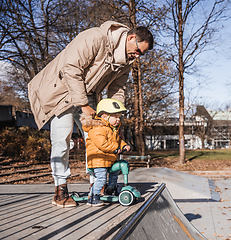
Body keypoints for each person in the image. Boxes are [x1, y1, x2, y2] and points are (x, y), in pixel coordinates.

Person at [28, 21, 153, 207]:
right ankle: (60, 190)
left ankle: (97, 186)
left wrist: (114, 115)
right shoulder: (96, 37)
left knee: (97, 138)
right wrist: (84, 105)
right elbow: (70, 69)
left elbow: (118, 89)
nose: (138, 56)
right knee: (62, 139)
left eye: (141, 54)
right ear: (131, 38)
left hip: (87, 95)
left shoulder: (126, 61)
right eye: (138, 51)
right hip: (61, 91)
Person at [80, 98, 130, 206]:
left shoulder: (112, 129)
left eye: (119, 117)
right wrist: (115, 149)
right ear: (104, 116)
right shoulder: (97, 128)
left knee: (115, 172)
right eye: (115, 117)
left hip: (108, 159)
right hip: (98, 159)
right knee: (101, 178)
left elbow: (117, 141)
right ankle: (93, 197)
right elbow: (102, 144)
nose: (118, 119)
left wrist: (124, 145)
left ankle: (110, 189)